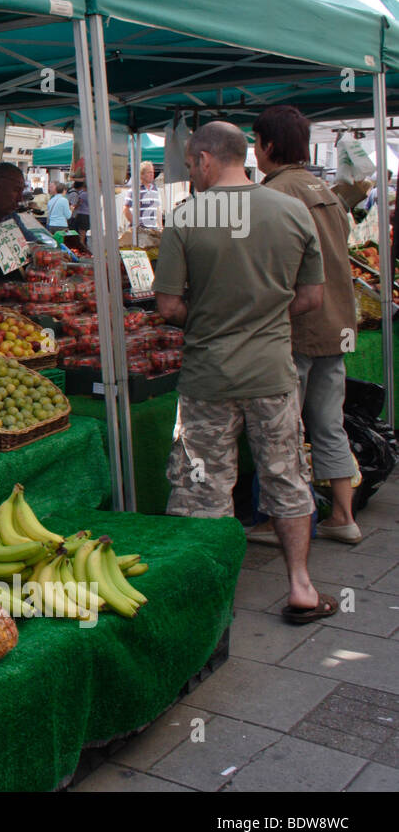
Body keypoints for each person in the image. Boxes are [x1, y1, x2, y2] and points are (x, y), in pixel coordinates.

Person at [153, 121, 332, 624]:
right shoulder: (293, 211)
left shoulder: (186, 218)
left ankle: (209, 600)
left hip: (207, 378)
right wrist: (265, 314)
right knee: (288, 478)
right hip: (272, 373)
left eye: (190, 164)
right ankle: (300, 586)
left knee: (200, 488)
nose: (190, 173)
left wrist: (210, 314)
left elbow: (168, 306)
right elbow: (313, 297)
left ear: (206, 160)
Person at [243, 107, 360, 547]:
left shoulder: (276, 193)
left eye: (255, 141)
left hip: (297, 326)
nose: (254, 150)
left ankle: (279, 522)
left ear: (268, 145)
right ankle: (344, 516)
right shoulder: (320, 186)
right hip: (336, 323)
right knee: (330, 423)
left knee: (283, 430)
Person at [123, 161, 162, 231]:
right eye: (149, 172)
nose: (152, 174)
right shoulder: (134, 190)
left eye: (152, 172)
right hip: (139, 232)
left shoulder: (155, 190)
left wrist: (160, 226)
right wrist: (136, 225)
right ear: (142, 175)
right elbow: (126, 209)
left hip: (153, 230)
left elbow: (157, 209)